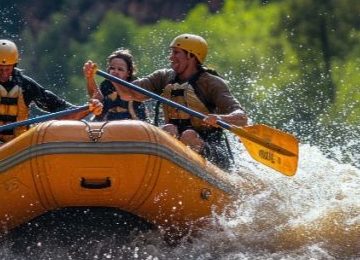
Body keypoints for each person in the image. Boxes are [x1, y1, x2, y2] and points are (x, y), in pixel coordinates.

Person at [84, 34, 246, 169]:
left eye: (176, 53)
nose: (171, 57)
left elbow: (241, 117)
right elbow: (129, 93)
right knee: (168, 129)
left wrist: (221, 118)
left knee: (188, 135)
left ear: (191, 55)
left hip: (210, 148)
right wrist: (106, 75)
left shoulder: (211, 82)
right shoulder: (164, 77)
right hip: (177, 141)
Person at [0, 39, 101, 158]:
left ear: (14, 65)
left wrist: (89, 108)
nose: (3, 73)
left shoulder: (24, 84)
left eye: (7, 68)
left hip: (15, 146)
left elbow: (64, 111)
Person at [83, 48, 148, 122]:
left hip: (136, 123)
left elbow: (126, 95)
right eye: (112, 68)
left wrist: (115, 81)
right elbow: (97, 99)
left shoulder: (135, 84)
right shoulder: (106, 85)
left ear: (128, 73)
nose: (115, 71)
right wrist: (90, 77)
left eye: (120, 69)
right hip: (111, 124)